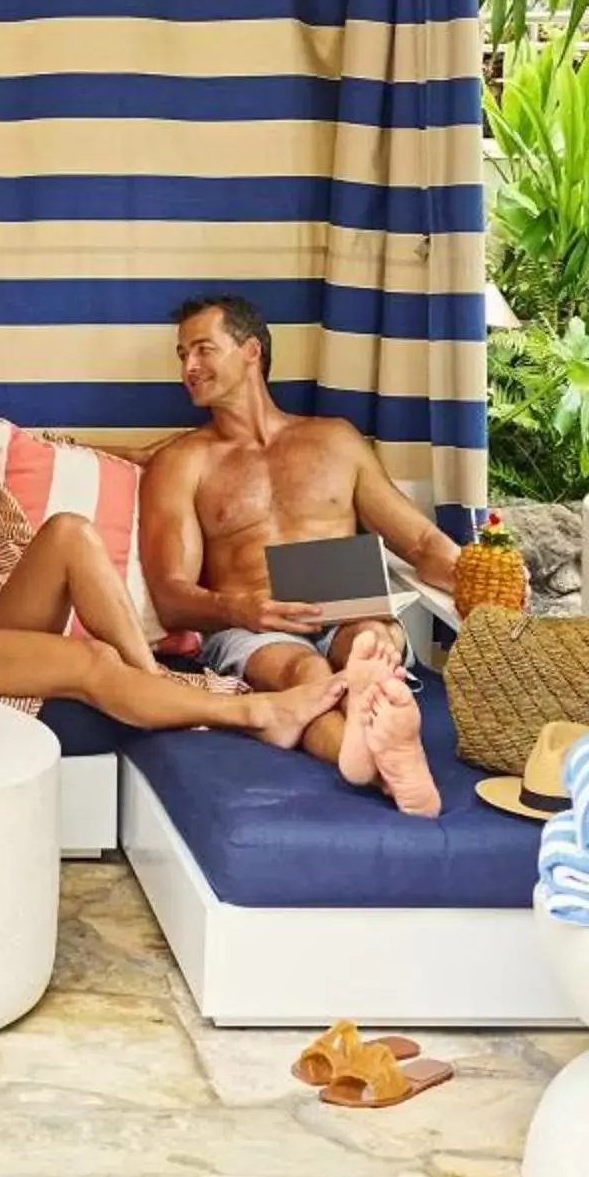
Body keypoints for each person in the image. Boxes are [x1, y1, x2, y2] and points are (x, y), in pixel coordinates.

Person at [0, 333, 342, 743]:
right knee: (94, 662)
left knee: (69, 530)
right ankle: (254, 711)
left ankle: (150, 674)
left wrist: (139, 456)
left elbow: (33, 491)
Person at [139, 293, 458, 816]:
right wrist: (243, 609)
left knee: (370, 642)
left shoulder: (335, 440)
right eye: (182, 356)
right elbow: (171, 596)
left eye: (202, 349)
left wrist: (477, 574)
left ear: (250, 351)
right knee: (303, 676)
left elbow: (421, 543)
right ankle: (384, 768)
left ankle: (376, 747)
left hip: (346, 609)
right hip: (252, 628)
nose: (188, 368)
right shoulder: (182, 462)